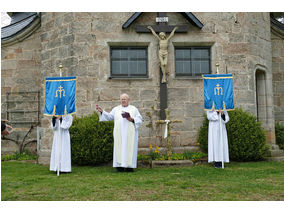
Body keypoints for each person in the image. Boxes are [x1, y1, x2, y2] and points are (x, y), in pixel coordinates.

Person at [96, 93, 143, 172]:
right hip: (119, 133)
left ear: (128, 100)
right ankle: (119, 167)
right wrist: (102, 112)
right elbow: (109, 116)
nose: (123, 101)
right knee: (119, 148)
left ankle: (129, 167)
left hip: (129, 134)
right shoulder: (116, 109)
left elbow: (139, 119)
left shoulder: (133, 109)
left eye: (125, 99)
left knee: (129, 148)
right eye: (122, 99)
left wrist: (132, 119)